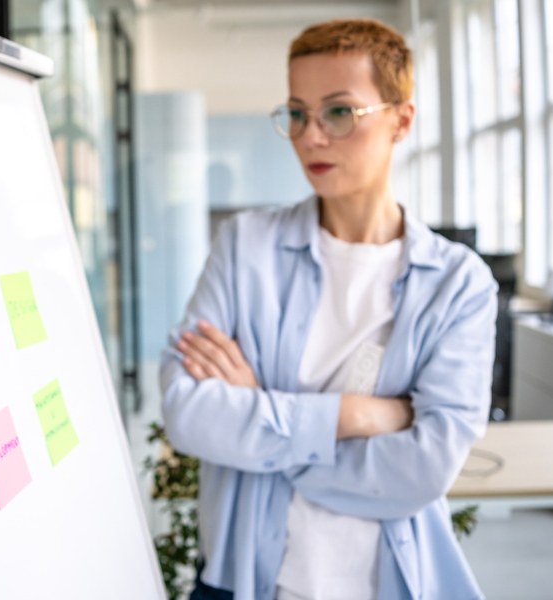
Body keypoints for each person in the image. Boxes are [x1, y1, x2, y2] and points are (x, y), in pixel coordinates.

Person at [160, 18, 497, 600]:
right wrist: (359, 416)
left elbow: (423, 470)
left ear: (401, 120)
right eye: (297, 113)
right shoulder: (246, 247)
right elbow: (188, 412)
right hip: (244, 581)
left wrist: (260, 418)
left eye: (339, 112)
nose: (310, 136)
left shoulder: (457, 284)